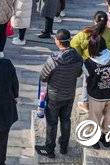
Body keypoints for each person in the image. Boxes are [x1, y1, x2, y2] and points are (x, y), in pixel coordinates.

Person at [35, 29, 83, 159]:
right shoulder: (78, 57)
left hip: (54, 96)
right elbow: (79, 73)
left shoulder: (53, 60)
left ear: (58, 41)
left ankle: (49, 149)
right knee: (66, 120)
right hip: (69, 94)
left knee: (52, 123)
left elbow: (43, 77)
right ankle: (64, 146)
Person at [71, 11, 110, 112]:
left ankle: (85, 102)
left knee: (87, 82)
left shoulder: (86, 32)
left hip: (89, 63)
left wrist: (82, 56)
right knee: (102, 83)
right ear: (106, 22)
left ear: (94, 20)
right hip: (105, 64)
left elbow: (74, 43)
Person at [84, 37, 110, 148]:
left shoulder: (88, 62)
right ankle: (105, 138)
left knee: (94, 117)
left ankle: (94, 139)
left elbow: (86, 81)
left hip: (96, 95)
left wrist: (84, 99)